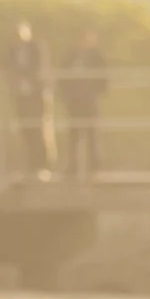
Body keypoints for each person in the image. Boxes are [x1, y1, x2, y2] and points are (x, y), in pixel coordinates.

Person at [5, 21, 53, 183]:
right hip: (21, 96)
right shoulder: (12, 50)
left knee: (38, 130)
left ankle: (42, 167)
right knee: (25, 131)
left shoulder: (37, 47)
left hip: (36, 96)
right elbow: (8, 68)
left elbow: (41, 68)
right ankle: (29, 167)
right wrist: (16, 81)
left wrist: (28, 80)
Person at [61, 30, 108, 185]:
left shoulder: (97, 56)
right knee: (74, 134)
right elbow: (63, 77)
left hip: (90, 100)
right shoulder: (70, 56)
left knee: (92, 134)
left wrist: (95, 92)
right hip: (74, 101)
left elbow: (104, 78)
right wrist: (66, 95)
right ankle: (72, 168)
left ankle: (95, 168)